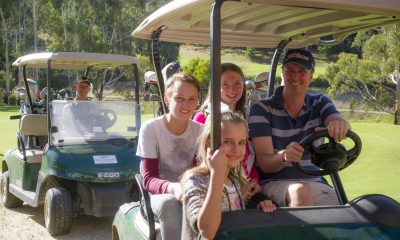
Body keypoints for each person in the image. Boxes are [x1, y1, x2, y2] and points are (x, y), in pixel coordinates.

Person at [248, 48, 350, 207]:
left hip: (315, 180)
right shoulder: (262, 109)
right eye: (290, 70)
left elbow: (334, 118)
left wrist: (338, 124)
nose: (295, 76)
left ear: (311, 75)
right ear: (283, 74)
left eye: (302, 70)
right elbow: (265, 163)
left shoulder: (319, 102)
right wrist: (284, 156)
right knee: (300, 192)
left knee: (349, 209)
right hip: (275, 182)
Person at [181, 111, 276, 240]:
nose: (236, 149)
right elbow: (207, 232)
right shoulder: (195, 180)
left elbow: (238, 219)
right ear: (209, 143)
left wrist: (257, 208)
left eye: (241, 142)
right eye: (228, 142)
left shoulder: (235, 181)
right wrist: (216, 175)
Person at [136, 73, 202, 240]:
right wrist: (174, 188)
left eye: (191, 99)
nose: (186, 104)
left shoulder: (200, 130)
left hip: (190, 192)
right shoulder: (151, 129)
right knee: (170, 204)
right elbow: (149, 179)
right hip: (157, 197)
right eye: (179, 98)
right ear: (167, 99)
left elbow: (201, 170)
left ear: (198, 101)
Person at [193, 62, 261, 196]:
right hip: (218, 188)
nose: (232, 89)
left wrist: (254, 180)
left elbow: (249, 156)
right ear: (215, 87)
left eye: (237, 84)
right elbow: (198, 159)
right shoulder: (202, 117)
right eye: (225, 85)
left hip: (247, 186)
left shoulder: (249, 117)